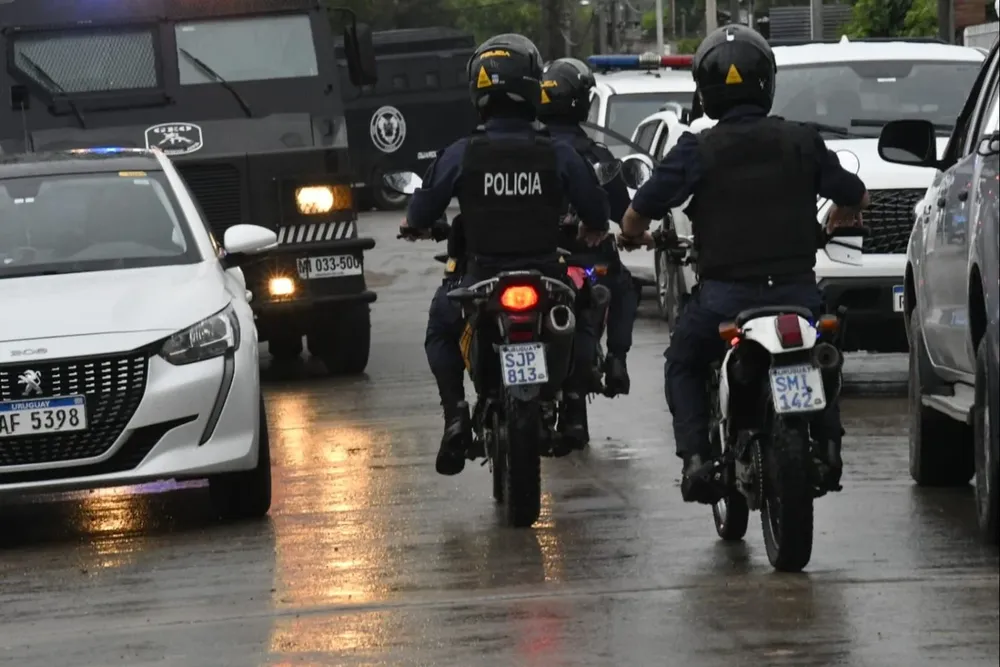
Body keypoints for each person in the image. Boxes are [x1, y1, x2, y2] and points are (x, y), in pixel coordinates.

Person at [617, 24, 869, 503]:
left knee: (683, 363)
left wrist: (630, 234)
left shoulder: (696, 148)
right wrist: (842, 211)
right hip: (796, 296)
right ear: (766, 82)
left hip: (724, 301)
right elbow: (856, 194)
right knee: (821, 351)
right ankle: (830, 445)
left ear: (706, 90)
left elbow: (639, 209)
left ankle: (695, 460)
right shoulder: (801, 140)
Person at [402, 33, 611, 476]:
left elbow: (421, 210)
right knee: (587, 308)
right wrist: (591, 227)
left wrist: (415, 226)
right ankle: (573, 409)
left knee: (441, 328)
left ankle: (456, 415)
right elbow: (597, 210)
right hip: (546, 277)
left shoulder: (461, 154)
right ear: (534, 85)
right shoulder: (557, 153)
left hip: (480, 280)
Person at [538, 57, 637, 398]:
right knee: (624, 286)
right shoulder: (593, 155)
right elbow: (625, 212)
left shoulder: (522, 152)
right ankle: (616, 359)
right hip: (588, 261)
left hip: (536, 259)